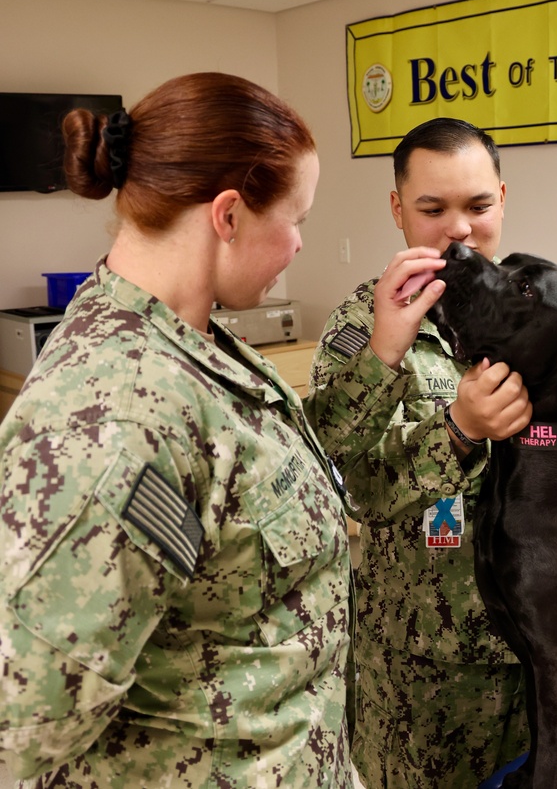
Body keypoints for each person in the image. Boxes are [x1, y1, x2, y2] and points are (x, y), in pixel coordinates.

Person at [0, 72, 444, 788]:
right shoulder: (115, 419)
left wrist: (382, 352)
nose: (301, 244)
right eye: (295, 218)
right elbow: (24, 728)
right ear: (229, 214)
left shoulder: (195, 346)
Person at [306, 117, 557, 788]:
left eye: (477, 205)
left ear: (502, 197)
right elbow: (348, 482)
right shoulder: (363, 327)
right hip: (427, 673)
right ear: (396, 208)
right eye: (432, 208)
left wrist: (540, 423)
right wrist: (459, 430)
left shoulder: (554, 310)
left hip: (552, 648)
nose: (459, 229)